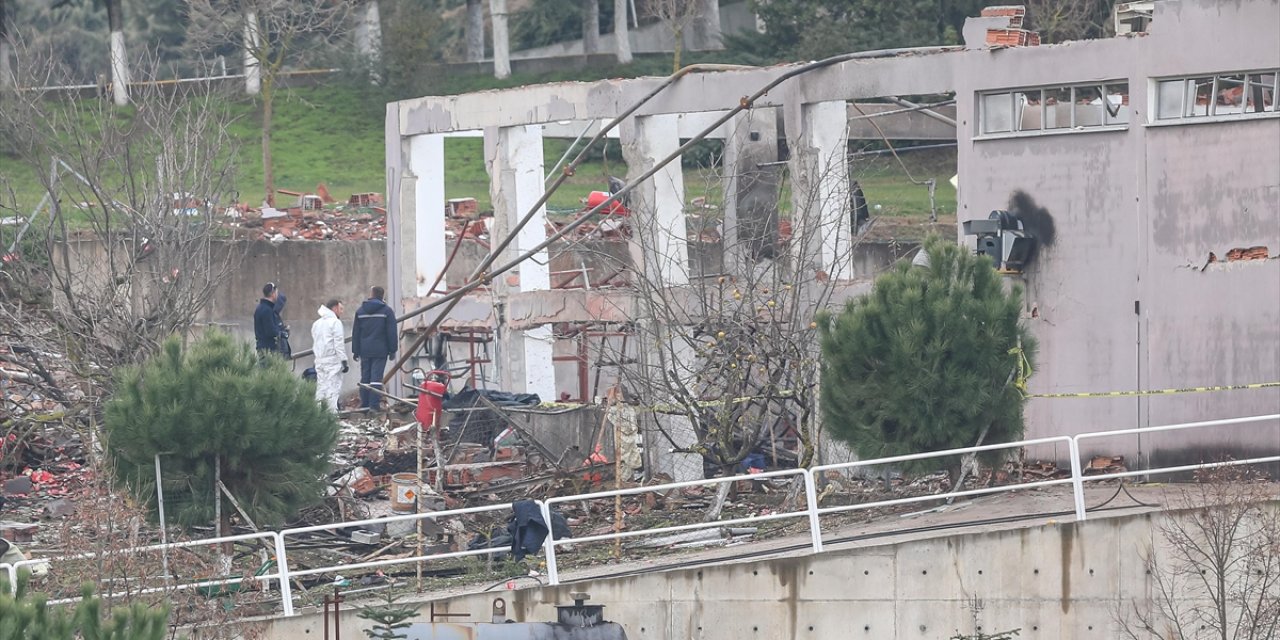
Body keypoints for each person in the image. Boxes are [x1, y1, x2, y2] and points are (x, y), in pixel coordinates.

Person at [351, 285, 397, 411]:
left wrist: (355, 350)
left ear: (371, 294)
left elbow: (356, 333)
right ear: (382, 296)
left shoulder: (360, 311)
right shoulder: (387, 311)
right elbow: (391, 332)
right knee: (376, 377)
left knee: (365, 377)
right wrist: (393, 349)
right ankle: (374, 405)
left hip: (364, 350)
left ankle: (364, 405)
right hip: (380, 350)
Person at [311, 299, 348, 412]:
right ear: (335, 308)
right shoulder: (335, 323)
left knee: (321, 388)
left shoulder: (316, 324)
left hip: (320, 360)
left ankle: (318, 414)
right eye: (340, 309)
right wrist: (344, 360)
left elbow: (315, 342)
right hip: (333, 361)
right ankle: (331, 416)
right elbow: (338, 343)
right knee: (333, 389)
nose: (342, 312)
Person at [254, 282, 290, 363]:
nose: (277, 295)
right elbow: (270, 331)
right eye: (277, 292)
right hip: (268, 350)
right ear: (272, 293)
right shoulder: (267, 310)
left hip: (262, 347)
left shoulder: (260, 308)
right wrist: (282, 333)